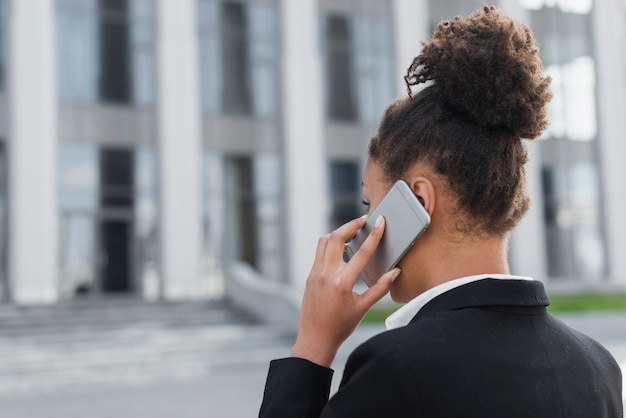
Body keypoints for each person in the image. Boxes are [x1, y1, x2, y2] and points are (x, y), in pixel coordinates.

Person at [259, 6, 623, 417]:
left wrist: (312, 346)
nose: (361, 228)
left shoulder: (396, 369)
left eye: (369, 203)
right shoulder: (598, 366)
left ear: (417, 199)